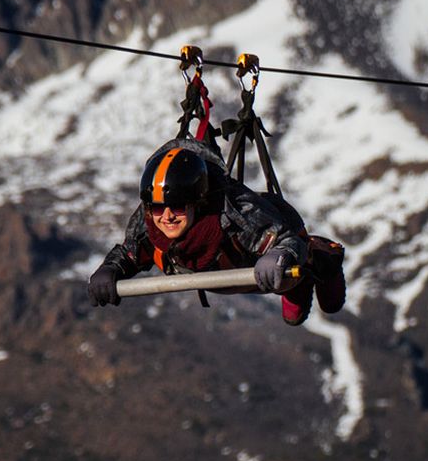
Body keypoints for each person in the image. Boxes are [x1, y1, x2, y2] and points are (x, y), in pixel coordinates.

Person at [86, 138, 345, 325]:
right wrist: (111, 269)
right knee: (292, 311)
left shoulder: (236, 215)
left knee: (314, 293)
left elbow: (286, 239)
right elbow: (129, 253)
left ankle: (323, 259)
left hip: (271, 243)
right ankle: (292, 284)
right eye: (156, 208)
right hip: (224, 272)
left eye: (177, 207)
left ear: (197, 203)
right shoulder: (148, 225)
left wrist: (280, 255)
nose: (166, 216)